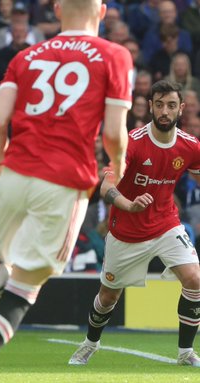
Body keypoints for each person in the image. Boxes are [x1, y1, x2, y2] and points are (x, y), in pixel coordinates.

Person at [0, 0, 133, 381]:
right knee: (25, 291)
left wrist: (3, 170)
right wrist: (119, 165)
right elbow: (114, 133)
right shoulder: (114, 55)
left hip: (14, 173)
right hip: (63, 181)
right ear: (103, 9)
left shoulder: (25, 56)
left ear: (58, 8)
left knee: (7, 264)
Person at [69, 80, 200, 367]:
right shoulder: (132, 142)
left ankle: (185, 353)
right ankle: (90, 343)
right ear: (150, 106)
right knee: (108, 296)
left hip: (166, 224)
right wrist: (129, 204)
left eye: (171, 105)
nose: (165, 111)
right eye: (159, 104)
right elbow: (106, 186)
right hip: (126, 230)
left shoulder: (190, 147)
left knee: (195, 279)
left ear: (182, 109)